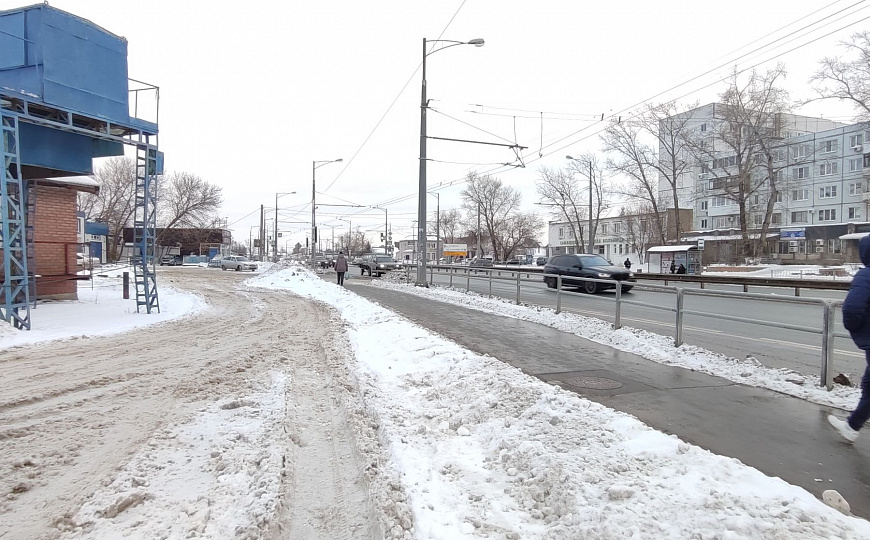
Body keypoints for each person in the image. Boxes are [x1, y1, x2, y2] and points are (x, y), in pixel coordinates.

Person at [829, 235, 870, 442]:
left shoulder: (867, 275)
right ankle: (852, 427)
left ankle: (852, 426)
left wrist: (856, 328)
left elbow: (853, 308)